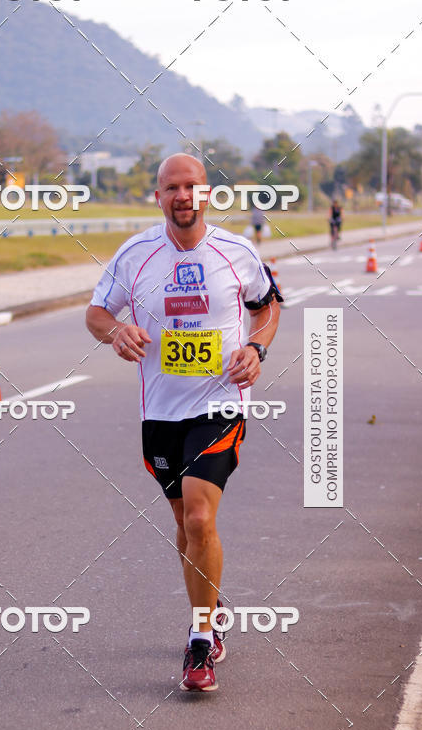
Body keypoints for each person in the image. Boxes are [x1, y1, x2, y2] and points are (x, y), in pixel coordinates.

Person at [86, 153, 281, 692]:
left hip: (219, 404)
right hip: (161, 413)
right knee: (184, 521)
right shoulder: (135, 255)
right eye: (172, 187)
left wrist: (257, 346)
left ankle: (200, 643)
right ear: (159, 197)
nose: (183, 196)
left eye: (192, 186)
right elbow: (97, 313)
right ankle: (211, 600)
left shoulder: (237, 252)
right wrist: (115, 333)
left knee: (198, 517)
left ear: (208, 194)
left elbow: (268, 307)